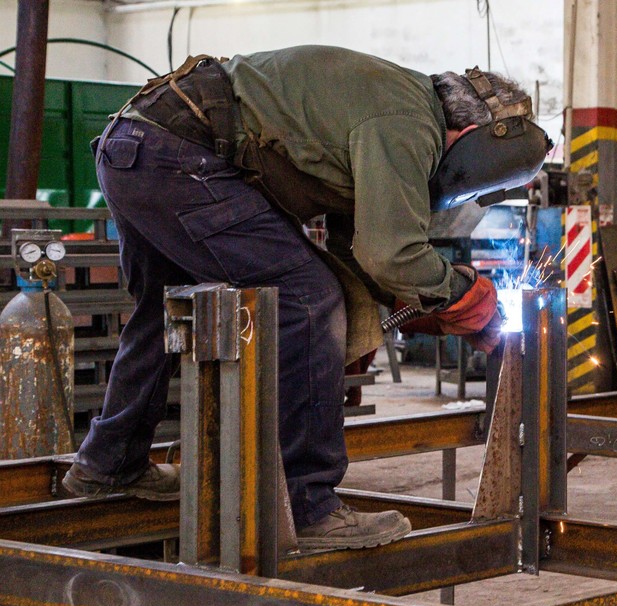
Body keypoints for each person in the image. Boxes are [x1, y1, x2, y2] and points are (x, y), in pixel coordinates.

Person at [60, 45, 550, 550]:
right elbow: (391, 255)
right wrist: (463, 293)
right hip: (180, 156)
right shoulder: (408, 124)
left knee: (159, 311)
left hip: (134, 147)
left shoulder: (387, 102)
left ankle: (109, 461)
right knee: (309, 301)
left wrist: (419, 310)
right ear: (471, 135)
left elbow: (358, 254)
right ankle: (308, 505)